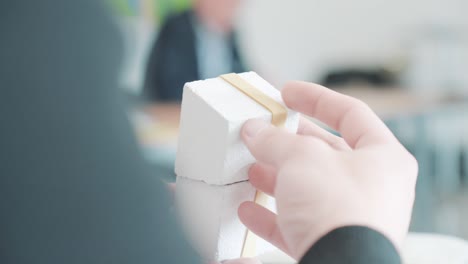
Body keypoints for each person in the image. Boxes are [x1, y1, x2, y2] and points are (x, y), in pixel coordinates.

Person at [0, 1, 417, 264]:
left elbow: (246, 73)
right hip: (178, 129)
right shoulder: (175, 28)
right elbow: (168, 84)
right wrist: (357, 245)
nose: (235, 9)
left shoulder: (230, 34)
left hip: (224, 154)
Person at [143, 0, 246, 102]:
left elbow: (240, 76)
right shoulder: (177, 27)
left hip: (215, 111)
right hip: (175, 110)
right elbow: (170, 84)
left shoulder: (228, 36)